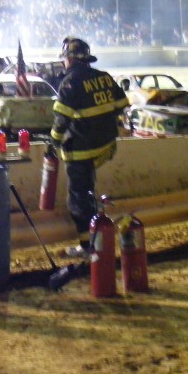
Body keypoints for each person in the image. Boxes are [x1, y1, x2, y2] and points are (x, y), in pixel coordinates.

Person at [50, 37, 129, 258]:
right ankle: (99, 237)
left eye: (65, 59)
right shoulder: (104, 77)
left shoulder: (70, 83)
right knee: (89, 193)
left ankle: (88, 248)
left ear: (70, 59)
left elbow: (61, 121)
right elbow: (121, 105)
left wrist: (53, 143)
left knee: (77, 201)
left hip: (81, 151)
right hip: (104, 147)